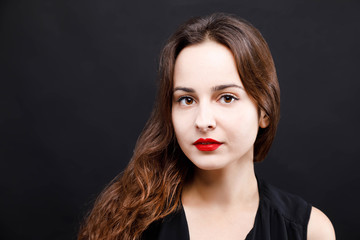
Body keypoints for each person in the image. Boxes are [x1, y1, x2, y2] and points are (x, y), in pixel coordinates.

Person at [78, 13, 335, 240]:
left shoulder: (310, 231)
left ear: (264, 111)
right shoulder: (127, 219)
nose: (203, 122)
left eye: (226, 98)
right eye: (186, 100)